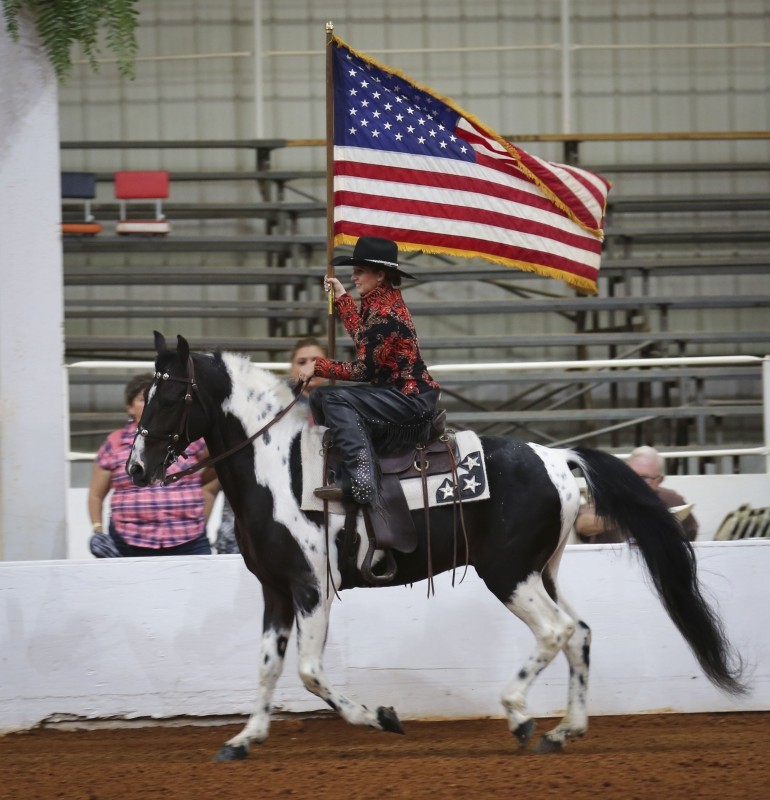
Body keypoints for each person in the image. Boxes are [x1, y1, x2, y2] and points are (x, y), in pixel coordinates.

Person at [297, 236, 441, 510]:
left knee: (331, 398)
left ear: (380, 275)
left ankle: (362, 475)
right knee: (320, 398)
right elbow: (365, 338)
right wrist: (342, 296)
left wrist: (319, 366)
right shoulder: (379, 304)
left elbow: (365, 369)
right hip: (397, 393)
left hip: (408, 398)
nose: (354, 277)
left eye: (359, 271)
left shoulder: (385, 314)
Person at [213, 337, 327, 554]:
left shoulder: (343, 402)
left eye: (316, 360)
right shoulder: (272, 405)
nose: (310, 366)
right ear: (292, 368)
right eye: (302, 361)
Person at [88, 373, 219, 557]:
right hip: (130, 541)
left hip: (189, 539)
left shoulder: (186, 438)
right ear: (129, 408)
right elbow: (95, 495)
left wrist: (199, 487)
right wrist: (98, 531)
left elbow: (215, 462)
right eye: (143, 400)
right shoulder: (115, 443)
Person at [574, 445, 699, 543]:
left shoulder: (671, 500)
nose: (635, 482)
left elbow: (691, 532)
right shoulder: (607, 498)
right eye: (631, 475)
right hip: (611, 569)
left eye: (644, 478)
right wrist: (624, 519)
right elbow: (582, 525)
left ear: (658, 480)